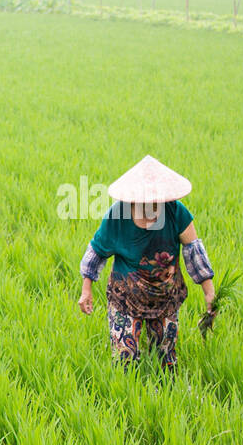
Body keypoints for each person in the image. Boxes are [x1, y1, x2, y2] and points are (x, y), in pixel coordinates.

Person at [78, 155, 216, 370]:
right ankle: (128, 397)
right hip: (126, 297)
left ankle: (169, 395)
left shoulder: (176, 213)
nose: (152, 207)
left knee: (165, 360)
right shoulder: (117, 217)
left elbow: (194, 253)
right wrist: (86, 290)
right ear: (133, 199)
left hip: (165, 297)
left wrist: (209, 292)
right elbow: (96, 252)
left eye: (156, 201)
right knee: (125, 360)